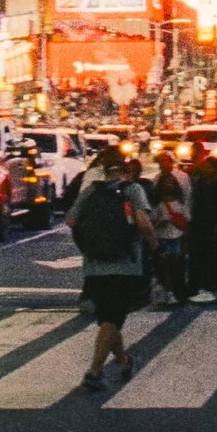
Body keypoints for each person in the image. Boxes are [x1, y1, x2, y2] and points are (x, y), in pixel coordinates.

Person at [70, 153, 154, 393]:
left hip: (94, 266)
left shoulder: (90, 192)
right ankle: (94, 371)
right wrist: (152, 243)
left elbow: (70, 220)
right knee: (112, 319)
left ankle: (124, 361)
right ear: (126, 172)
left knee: (109, 317)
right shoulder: (132, 189)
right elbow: (143, 222)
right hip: (125, 264)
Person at [185, 151, 217, 304]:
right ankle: (209, 287)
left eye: (208, 167)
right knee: (203, 257)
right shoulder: (201, 183)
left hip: (215, 225)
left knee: (215, 257)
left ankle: (214, 288)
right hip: (201, 226)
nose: (205, 169)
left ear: (214, 169)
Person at [146, 157, 190, 306]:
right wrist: (161, 222)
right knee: (164, 264)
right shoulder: (158, 203)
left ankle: (174, 291)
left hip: (176, 235)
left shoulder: (180, 199)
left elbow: (186, 215)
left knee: (175, 264)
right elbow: (152, 221)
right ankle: (167, 291)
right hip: (163, 236)